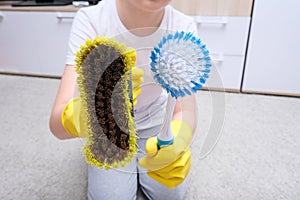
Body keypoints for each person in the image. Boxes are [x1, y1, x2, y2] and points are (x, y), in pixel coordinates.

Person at [49, 0, 198, 199]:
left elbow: (184, 109)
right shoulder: (92, 20)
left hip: (156, 122)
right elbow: (57, 125)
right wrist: (89, 115)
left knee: (169, 194)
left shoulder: (182, 26)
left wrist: (179, 139)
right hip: (108, 128)